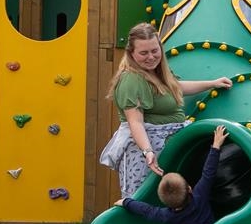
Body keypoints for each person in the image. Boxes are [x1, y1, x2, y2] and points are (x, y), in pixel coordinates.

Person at [99, 22, 232, 200]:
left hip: (167, 143)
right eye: (144, 53)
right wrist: (148, 152)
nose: (151, 57)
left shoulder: (157, 71)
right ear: (131, 54)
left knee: (171, 198)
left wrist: (212, 83)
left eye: (155, 50)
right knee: (142, 198)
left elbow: (175, 87)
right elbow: (135, 122)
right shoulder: (131, 79)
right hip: (146, 147)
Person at [119, 124, 228, 224]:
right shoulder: (200, 196)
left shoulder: (167, 214)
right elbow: (208, 173)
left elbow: (146, 210)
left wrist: (126, 202)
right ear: (190, 188)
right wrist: (216, 145)